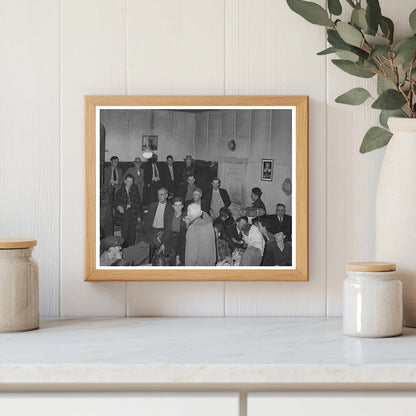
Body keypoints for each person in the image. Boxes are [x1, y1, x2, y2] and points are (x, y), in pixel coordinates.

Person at [113, 174, 143, 247]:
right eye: (128, 181)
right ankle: (124, 250)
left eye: (131, 181)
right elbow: (114, 202)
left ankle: (131, 249)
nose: (130, 183)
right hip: (124, 214)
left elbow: (138, 204)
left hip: (133, 214)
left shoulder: (134, 191)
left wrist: (139, 216)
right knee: (125, 234)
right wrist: (119, 206)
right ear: (125, 181)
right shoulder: (120, 191)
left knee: (132, 235)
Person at [143, 187, 174, 252]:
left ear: (166, 196)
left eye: (162, 194)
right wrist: (147, 231)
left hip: (162, 231)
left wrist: (164, 235)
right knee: (148, 252)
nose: (159, 197)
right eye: (158, 194)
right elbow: (147, 220)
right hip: (151, 231)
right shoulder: (153, 206)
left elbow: (169, 226)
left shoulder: (170, 208)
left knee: (159, 254)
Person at [160, 197, 187, 265]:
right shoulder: (169, 216)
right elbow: (166, 231)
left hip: (181, 237)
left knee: (174, 253)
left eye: (179, 205)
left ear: (182, 206)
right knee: (163, 253)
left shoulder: (186, 216)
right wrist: (163, 244)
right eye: (176, 205)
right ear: (173, 206)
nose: (177, 207)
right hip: (171, 236)